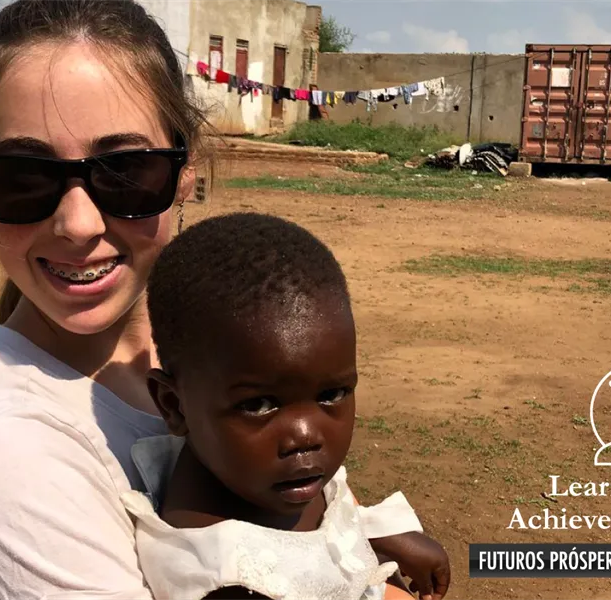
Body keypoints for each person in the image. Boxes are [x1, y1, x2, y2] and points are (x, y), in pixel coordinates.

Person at [0, 1, 450, 599]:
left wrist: (365, 536)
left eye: (126, 172)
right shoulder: (3, 458)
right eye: (22, 178)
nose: (76, 224)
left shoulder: (215, 337)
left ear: (183, 173)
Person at [122, 212, 431, 600]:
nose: (305, 436)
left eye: (331, 395)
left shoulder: (256, 475)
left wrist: (378, 534)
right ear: (174, 405)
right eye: (260, 405)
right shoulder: (228, 579)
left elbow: (331, 512)